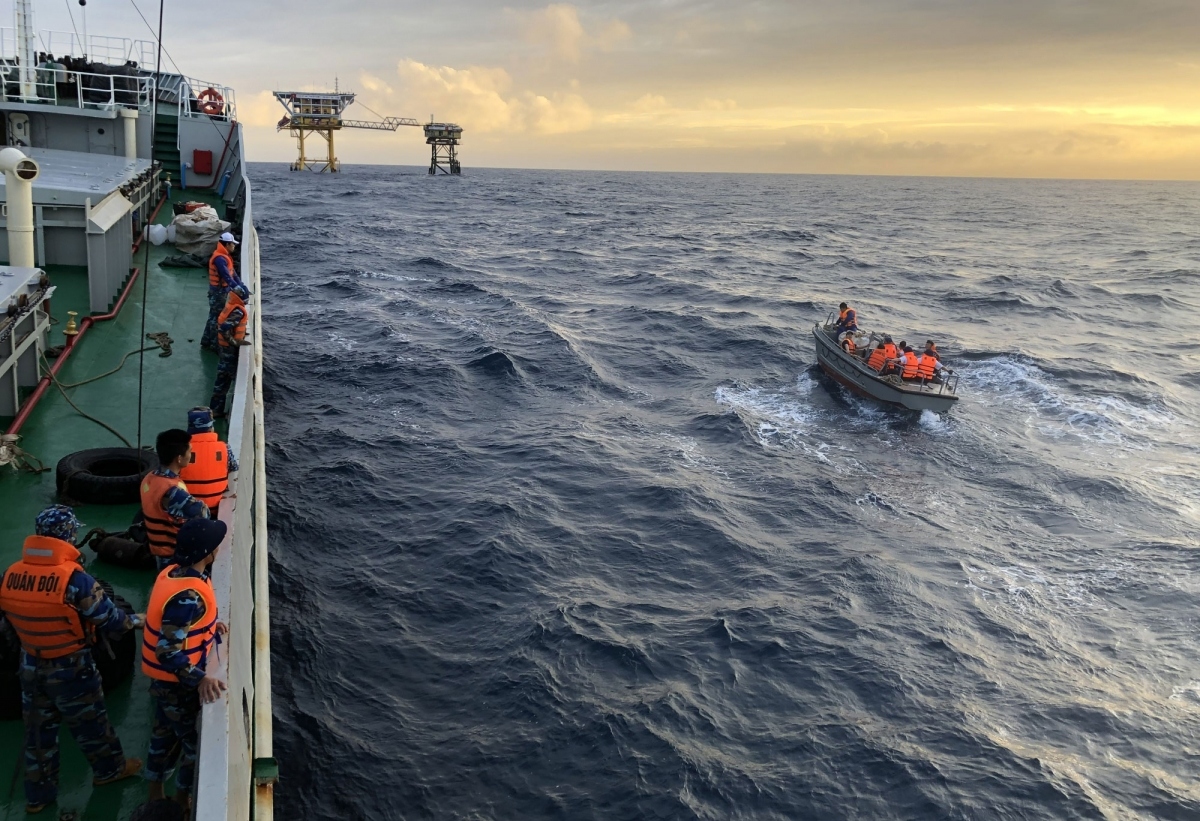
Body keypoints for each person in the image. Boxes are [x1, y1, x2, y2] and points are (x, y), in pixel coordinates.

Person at [0, 506, 144, 813]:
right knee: (92, 724)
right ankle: (110, 771)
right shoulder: (76, 582)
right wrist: (135, 620)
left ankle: (39, 797)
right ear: (67, 536)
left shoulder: (11, 575)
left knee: (39, 734)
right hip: (70, 665)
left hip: (29, 664)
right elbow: (111, 620)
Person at [143, 519, 229, 814]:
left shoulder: (172, 573)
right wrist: (200, 679)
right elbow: (167, 650)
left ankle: (155, 792)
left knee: (163, 735)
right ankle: (180, 799)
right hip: (177, 685)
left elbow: (184, 624)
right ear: (207, 552)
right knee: (192, 747)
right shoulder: (188, 596)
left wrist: (209, 626)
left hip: (162, 683)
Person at [142, 430, 210, 570]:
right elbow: (204, 514)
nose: (190, 456)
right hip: (175, 558)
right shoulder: (172, 492)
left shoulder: (149, 478)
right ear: (179, 458)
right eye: (189, 452)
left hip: (158, 552)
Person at [179, 407, 239, 515]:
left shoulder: (181, 451)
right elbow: (234, 467)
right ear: (210, 428)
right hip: (215, 509)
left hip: (189, 510)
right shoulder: (225, 448)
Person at [210, 282, 251, 420]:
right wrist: (234, 342)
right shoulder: (238, 311)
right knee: (235, 380)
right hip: (229, 351)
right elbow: (225, 328)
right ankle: (225, 413)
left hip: (223, 348)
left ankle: (215, 409)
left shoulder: (230, 305)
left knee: (222, 379)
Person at [200, 232, 240, 352]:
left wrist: (241, 286)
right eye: (233, 244)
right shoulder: (219, 259)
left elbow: (233, 275)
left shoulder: (224, 257)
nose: (234, 246)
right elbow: (226, 276)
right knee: (216, 318)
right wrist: (237, 289)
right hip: (218, 293)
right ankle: (213, 344)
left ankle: (206, 340)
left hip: (221, 291)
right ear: (227, 244)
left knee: (213, 316)